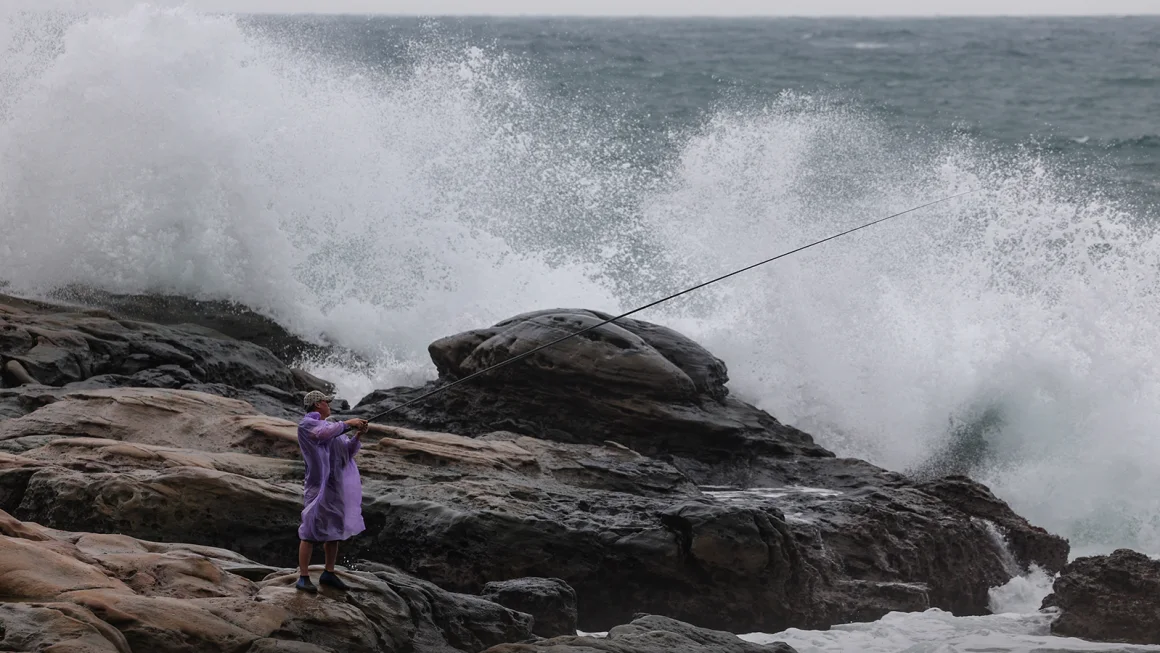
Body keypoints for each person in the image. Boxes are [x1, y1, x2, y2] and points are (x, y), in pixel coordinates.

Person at [295, 390, 369, 593]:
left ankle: (329, 572)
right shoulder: (307, 424)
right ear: (318, 404)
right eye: (327, 402)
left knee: (334, 529)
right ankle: (303, 577)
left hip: (335, 486)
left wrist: (358, 434)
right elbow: (322, 435)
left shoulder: (331, 426)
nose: (329, 405)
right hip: (317, 485)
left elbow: (347, 452)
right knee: (309, 530)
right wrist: (349, 423)